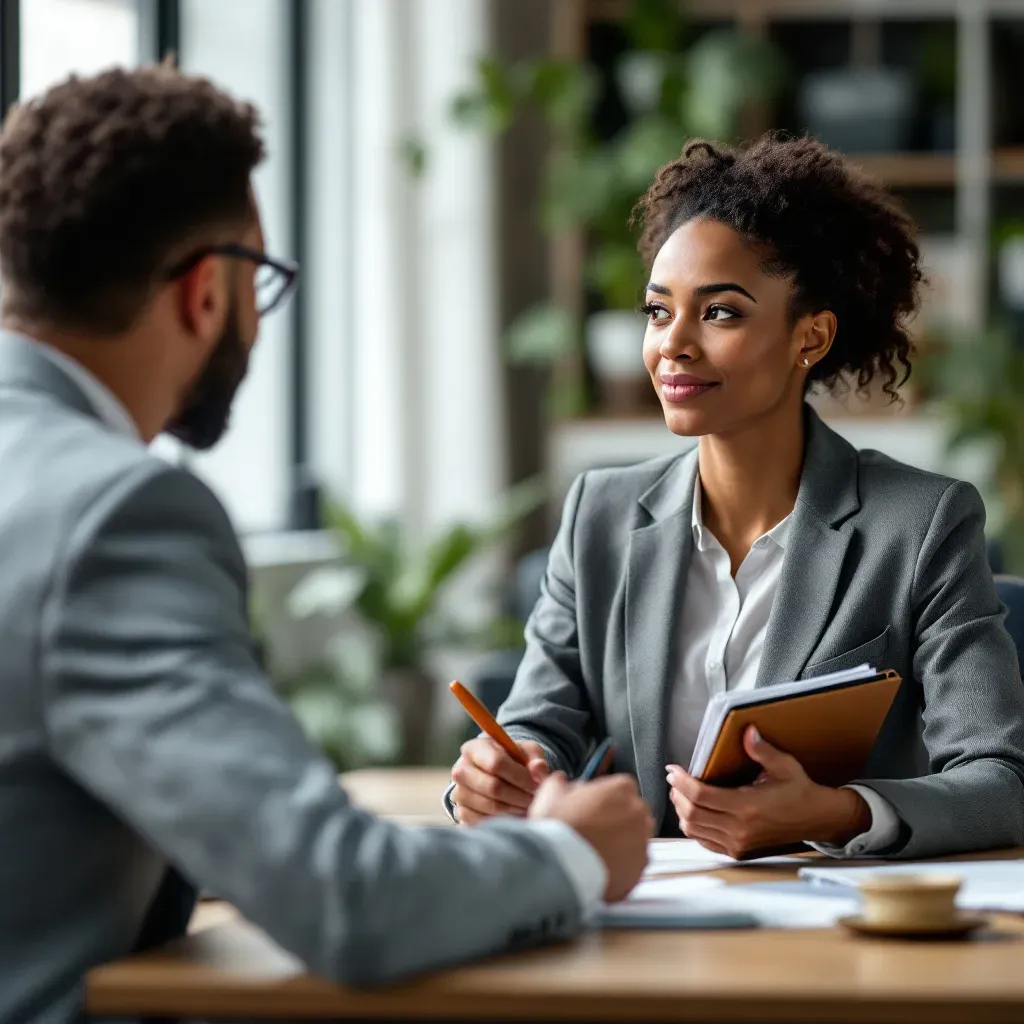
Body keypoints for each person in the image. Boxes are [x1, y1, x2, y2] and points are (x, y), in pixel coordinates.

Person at [0, 65, 653, 1024]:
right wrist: (570, 854)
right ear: (205, 292)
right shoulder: (116, 514)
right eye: (260, 278)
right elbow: (347, 899)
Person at [448, 134, 1024, 862]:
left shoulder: (920, 525)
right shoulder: (599, 513)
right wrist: (502, 772)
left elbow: (1002, 783)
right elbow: (542, 725)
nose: (674, 345)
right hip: (643, 918)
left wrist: (838, 811)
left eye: (719, 313)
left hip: (832, 934)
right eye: (659, 312)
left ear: (808, 337)